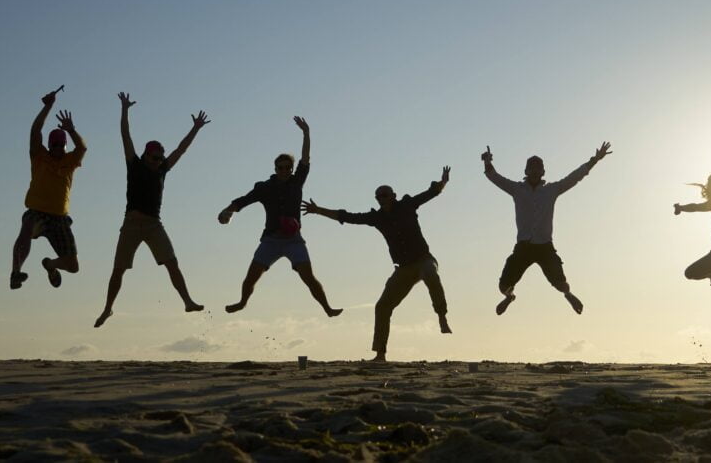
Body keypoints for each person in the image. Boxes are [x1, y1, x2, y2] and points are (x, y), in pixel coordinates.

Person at [302, 167, 452, 362]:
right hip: (403, 269)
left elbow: (430, 193)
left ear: (393, 196)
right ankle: (380, 353)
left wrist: (443, 182)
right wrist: (318, 210)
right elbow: (347, 217)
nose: (382, 199)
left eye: (385, 195)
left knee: (431, 274)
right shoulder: (377, 218)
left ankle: (441, 315)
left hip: (424, 259)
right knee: (382, 307)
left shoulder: (407, 205)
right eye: (379, 197)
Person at [95, 93, 208, 327]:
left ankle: (187, 301)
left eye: (160, 158)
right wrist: (125, 109)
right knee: (118, 270)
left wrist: (195, 128)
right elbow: (125, 135)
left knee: (172, 263)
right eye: (155, 157)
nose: (158, 161)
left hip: (154, 224)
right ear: (146, 155)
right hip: (131, 224)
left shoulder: (162, 169)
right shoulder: (134, 165)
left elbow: (181, 150)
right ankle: (107, 309)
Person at [217, 117, 341, 317]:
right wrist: (227, 210)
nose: (284, 171)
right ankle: (242, 302)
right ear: (275, 169)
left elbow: (305, 159)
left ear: (291, 170)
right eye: (280, 168)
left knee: (308, 277)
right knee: (251, 277)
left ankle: (327, 308)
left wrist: (306, 133)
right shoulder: (265, 187)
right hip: (271, 240)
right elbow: (243, 200)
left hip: (294, 241)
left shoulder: (296, 182)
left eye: (287, 168)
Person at [482, 142, 611, 316]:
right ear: (526, 171)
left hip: (544, 247)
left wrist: (595, 159)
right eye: (531, 168)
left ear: (543, 172)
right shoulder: (517, 190)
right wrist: (487, 161)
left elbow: (575, 177)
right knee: (503, 286)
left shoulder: (551, 190)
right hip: (523, 247)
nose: (535, 171)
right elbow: (494, 177)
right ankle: (509, 297)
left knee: (561, 283)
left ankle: (568, 294)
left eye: (538, 168)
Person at [10, 87, 87, 289]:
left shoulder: (70, 161)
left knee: (73, 266)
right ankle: (16, 273)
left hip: (59, 217)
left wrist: (71, 130)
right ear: (49, 145)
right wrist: (48, 107)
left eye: (61, 146)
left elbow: (82, 148)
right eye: (54, 146)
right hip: (37, 212)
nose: (58, 150)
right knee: (26, 229)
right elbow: (35, 131)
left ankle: (50, 265)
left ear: (65, 146)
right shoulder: (39, 156)